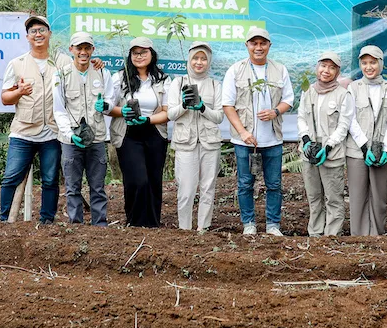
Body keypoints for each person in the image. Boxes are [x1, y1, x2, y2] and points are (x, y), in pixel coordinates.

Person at [0, 15, 73, 224]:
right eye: (33, 31)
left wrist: (96, 63)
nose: (38, 34)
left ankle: (47, 221)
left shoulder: (63, 62)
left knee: (50, 179)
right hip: (23, 132)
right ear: (27, 37)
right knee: (11, 177)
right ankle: (5, 220)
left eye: (41, 30)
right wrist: (19, 92)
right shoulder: (17, 64)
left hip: (52, 132)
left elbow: (82, 72)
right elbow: (5, 98)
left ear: (49, 34)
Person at [222, 27, 293, 236]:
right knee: (245, 184)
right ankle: (249, 224)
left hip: (272, 139)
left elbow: (289, 98)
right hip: (245, 141)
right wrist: (243, 132)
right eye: (254, 43)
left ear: (269, 46)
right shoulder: (235, 70)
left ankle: (273, 225)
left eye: (263, 43)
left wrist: (275, 111)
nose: (258, 47)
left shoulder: (280, 70)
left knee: (274, 184)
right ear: (247, 45)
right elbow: (227, 105)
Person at [104, 37, 170, 227]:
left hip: (154, 132)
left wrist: (148, 119)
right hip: (128, 134)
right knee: (137, 179)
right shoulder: (120, 78)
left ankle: (153, 222)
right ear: (130, 55)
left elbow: (167, 113)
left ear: (152, 54)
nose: (139, 56)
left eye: (143, 52)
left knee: (153, 180)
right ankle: (135, 221)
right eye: (135, 53)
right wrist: (122, 112)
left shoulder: (163, 79)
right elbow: (108, 107)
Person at [52, 32, 111, 226]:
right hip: (71, 141)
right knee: (72, 187)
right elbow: (59, 109)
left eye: (87, 48)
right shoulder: (61, 74)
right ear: (71, 50)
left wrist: (107, 105)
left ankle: (100, 225)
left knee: (98, 186)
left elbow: (111, 99)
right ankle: (75, 227)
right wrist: (69, 134)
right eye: (79, 48)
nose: (83, 52)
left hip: (97, 138)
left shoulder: (103, 72)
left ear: (93, 50)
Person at [166, 41, 225, 232]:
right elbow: (170, 115)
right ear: (189, 60)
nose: (199, 62)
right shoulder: (178, 83)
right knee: (186, 189)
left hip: (210, 143)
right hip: (185, 143)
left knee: (208, 188)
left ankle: (203, 228)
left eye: (203, 59)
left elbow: (219, 116)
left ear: (209, 62)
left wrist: (202, 107)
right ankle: (184, 229)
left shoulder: (215, 85)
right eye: (195, 58)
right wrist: (184, 105)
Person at [345, 45, 387, 237]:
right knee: (358, 195)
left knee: (379, 196)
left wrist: (386, 150)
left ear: (381, 64)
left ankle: (377, 235)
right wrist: (364, 146)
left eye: (373, 62)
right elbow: (350, 120)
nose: (369, 67)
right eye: (365, 63)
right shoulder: (353, 88)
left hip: (380, 151)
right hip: (356, 151)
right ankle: (358, 237)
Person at [297, 51, 353, 237]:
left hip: (332, 155)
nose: (326, 71)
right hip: (310, 154)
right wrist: (306, 141)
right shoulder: (308, 91)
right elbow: (301, 117)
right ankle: (315, 234)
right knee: (314, 197)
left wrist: (328, 147)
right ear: (317, 67)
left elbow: (343, 126)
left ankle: (331, 236)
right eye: (323, 65)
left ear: (337, 72)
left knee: (333, 198)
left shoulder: (343, 95)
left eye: (332, 67)